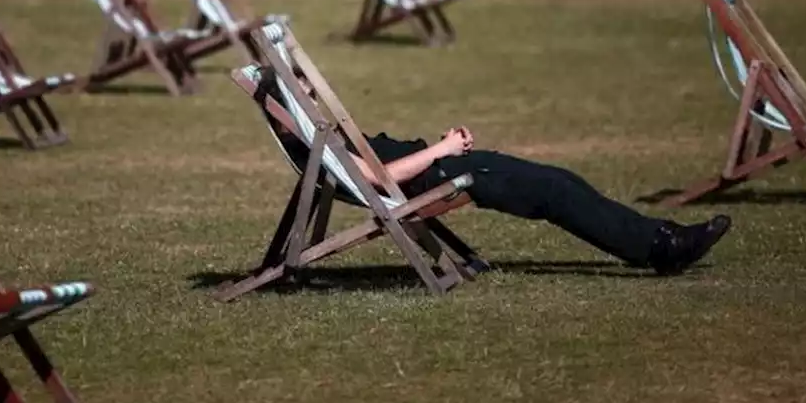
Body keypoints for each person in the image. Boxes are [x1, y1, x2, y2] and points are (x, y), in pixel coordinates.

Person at [271, 76, 732, 276]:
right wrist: (444, 148)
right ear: (290, 106)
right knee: (552, 190)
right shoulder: (317, 139)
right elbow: (381, 177)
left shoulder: (315, 135)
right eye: (304, 89)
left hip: (445, 165)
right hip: (441, 174)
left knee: (559, 180)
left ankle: (658, 238)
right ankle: (661, 247)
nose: (313, 92)